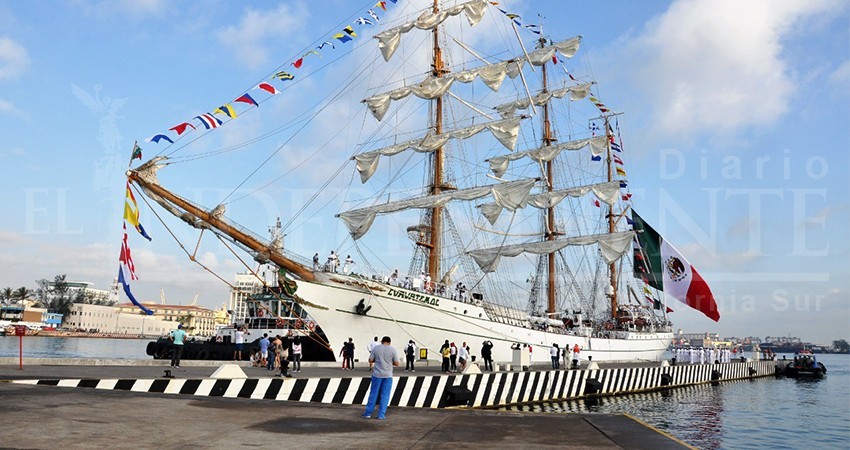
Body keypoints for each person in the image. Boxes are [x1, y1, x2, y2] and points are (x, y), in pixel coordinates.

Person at [362, 336, 400, 420]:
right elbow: (397, 363)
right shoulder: (393, 349)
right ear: (390, 342)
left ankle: (368, 413)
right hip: (388, 375)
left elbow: (370, 360)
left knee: (373, 394)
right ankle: (381, 415)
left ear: (381, 341)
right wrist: (389, 362)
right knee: (385, 395)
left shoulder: (376, 348)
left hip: (377, 375)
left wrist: (378, 361)